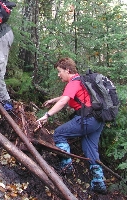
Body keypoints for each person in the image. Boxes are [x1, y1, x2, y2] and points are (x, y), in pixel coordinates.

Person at [36, 57, 107, 194]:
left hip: (87, 118)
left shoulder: (74, 82)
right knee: (90, 148)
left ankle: (66, 167)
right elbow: (68, 97)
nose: (58, 74)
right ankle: (98, 182)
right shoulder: (81, 81)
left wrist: (47, 115)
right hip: (98, 119)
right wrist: (53, 100)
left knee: (59, 133)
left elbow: (64, 101)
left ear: (68, 70)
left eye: (59, 71)